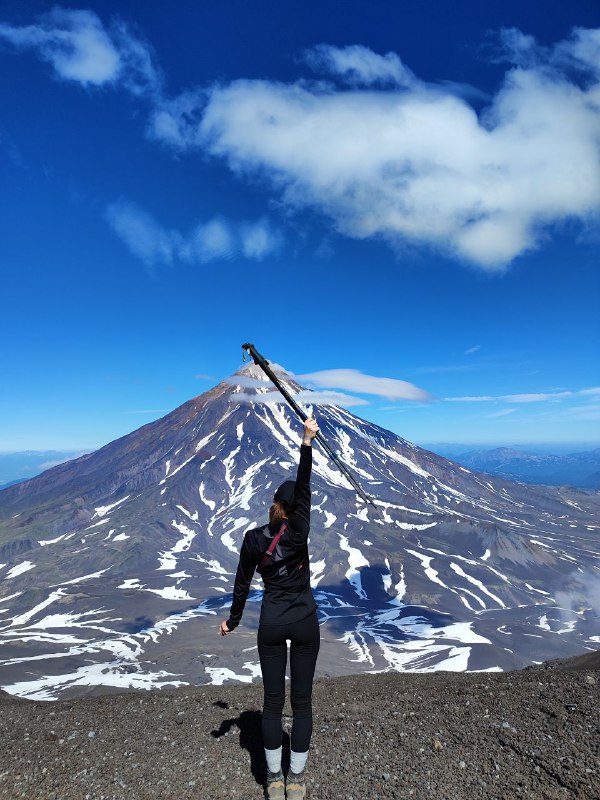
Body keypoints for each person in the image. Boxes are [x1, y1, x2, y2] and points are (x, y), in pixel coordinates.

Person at [220, 417, 320, 800]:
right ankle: (297, 781)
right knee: (302, 704)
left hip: (272, 625)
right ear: (296, 510)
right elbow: (305, 486)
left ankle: (274, 780)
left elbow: (242, 583)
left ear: (275, 506)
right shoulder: (299, 532)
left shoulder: (252, 541)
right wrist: (307, 442)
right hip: (305, 622)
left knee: (272, 704)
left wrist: (233, 621)